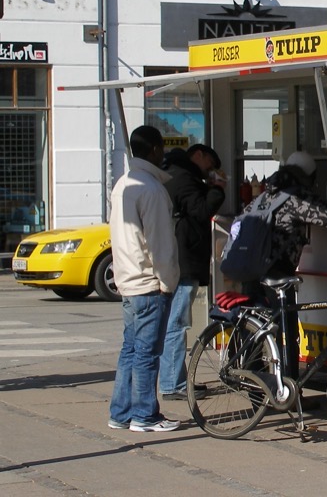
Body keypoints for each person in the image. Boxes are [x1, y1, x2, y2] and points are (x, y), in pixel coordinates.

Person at [108, 125, 181, 433]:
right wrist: (167, 283)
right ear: (155, 150)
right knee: (147, 352)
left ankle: (121, 412)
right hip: (148, 283)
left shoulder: (123, 184)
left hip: (127, 279)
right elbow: (161, 243)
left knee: (130, 349)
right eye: (161, 148)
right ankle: (144, 414)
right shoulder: (151, 189)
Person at [241, 151, 327, 380]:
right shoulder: (295, 196)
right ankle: (290, 390)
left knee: (257, 328)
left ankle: (256, 386)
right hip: (276, 271)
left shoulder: (266, 194)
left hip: (251, 267)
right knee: (286, 330)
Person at [159, 144, 226, 401]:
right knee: (177, 321)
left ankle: (175, 380)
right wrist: (217, 189)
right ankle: (173, 384)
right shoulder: (184, 178)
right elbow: (200, 210)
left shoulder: (173, 173)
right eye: (209, 163)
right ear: (197, 155)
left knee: (174, 320)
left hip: (177, 256)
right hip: (184, 258)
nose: (211, 169)